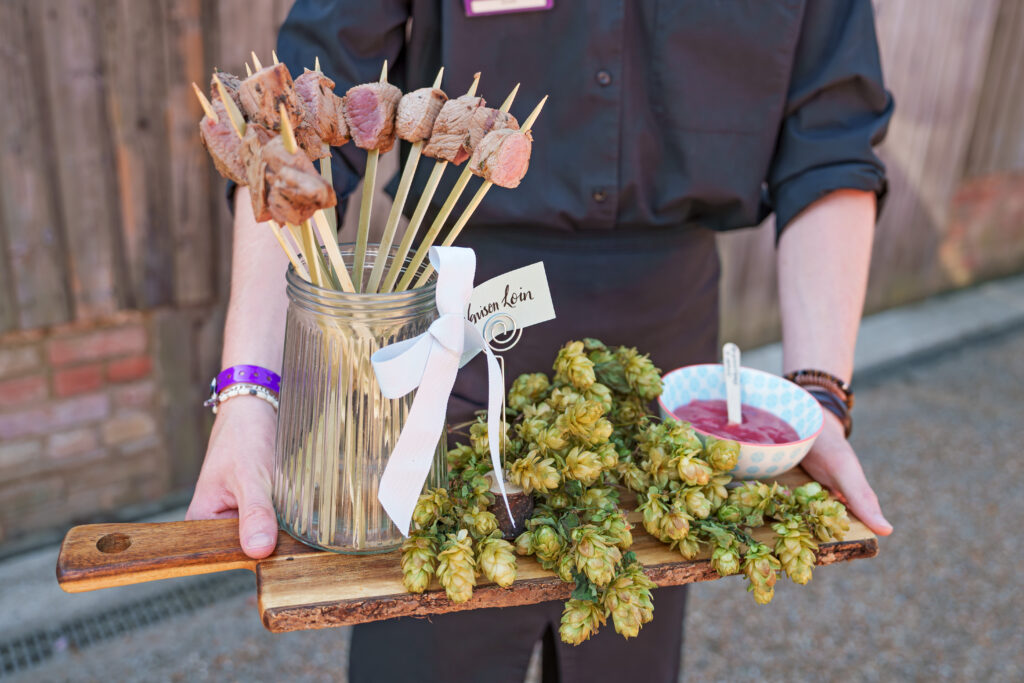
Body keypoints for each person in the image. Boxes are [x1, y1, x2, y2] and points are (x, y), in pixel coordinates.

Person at [188, 1, 895, 681]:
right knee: (423, 653)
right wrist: (249, 392)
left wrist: (819, 395)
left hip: (664, 384)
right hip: (448, 354)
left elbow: (830, 143)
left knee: (625, 653)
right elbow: (289, 132)